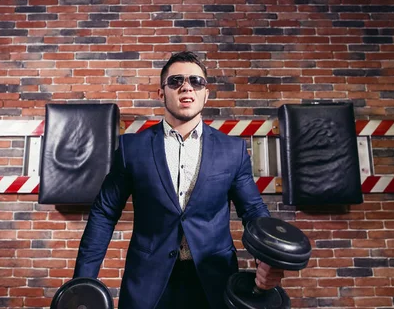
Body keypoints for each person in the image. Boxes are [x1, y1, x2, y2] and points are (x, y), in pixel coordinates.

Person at [73, 51, 284, 309]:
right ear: (162, 93)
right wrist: (82, 283)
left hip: (214, 280)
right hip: (148, 282)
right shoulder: (132, 148)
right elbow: (104, 213)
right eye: (175, 81)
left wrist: (267, 258)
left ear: (205, 94)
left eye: (196, 81)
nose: (186, 87)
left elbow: (252, 210)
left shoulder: (232, 150)